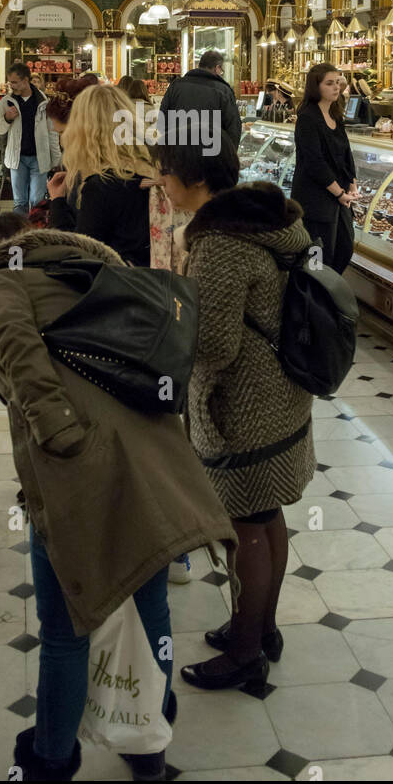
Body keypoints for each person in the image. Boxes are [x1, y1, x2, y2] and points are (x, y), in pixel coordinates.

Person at [0, 211, 238, 781]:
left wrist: (59, 433)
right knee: (151, 607)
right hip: (151, 457)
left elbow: (14, 347)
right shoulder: (85, 267)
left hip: (77, 468)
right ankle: (148, 748)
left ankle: (50, 760)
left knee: (64, 630)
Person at [158, 143, 316, 691]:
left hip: (244, 404)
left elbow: (215, 344)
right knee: (266, 514)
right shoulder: (269, 223)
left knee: (243, 525)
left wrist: (169, 329)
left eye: (165, 173)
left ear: (191, 179)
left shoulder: (220, 243)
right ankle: (261, 626)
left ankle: (247, 651)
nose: (160, 183)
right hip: (284, 393)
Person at [47, 84, 155, 265]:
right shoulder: (152, 169)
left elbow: (79, 257)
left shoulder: (101, 186)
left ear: (83, 131)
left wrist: (57, 202)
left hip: (117, 286)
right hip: (150, 281)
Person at [290, 63, 359, 273]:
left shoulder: (336, 115)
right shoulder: (307, 118)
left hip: (339, 199)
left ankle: (328, 296)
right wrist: (338, 192)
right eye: (329, 83)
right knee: (318, 258)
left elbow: (346, 152)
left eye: (337, 82)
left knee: (343, 249)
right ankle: (314, 300)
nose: (336, 88)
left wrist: (352, 184)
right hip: (315, 201)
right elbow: (314, 162)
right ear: (316, 87)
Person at [0, 62, 60, 214]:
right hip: (17, 159)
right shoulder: (7, 102)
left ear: (25, 80)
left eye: (15, 82)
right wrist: (7, 118)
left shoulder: (43, 102)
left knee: (37, 201)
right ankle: (21, 234)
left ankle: (35, 232)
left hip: (39, 158)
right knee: (19, 202)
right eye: (10, 82)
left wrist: (56, 160)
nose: (12, 85)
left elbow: (52, 132)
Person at [159, 49, 241, 152]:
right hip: (210, 157)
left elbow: (162, 119)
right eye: (221, 71)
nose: (221, 73)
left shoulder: (176, 86)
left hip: (178, 156)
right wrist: (229, 159)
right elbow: (233, 129)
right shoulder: (223, 91)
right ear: (217, 68)